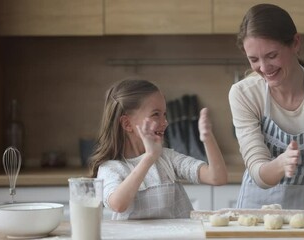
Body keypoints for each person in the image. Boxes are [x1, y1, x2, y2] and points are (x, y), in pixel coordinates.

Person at [229, 3, 304, 211]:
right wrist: (280, 164)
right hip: (258, 212)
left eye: (272, 55)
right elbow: (258, 171)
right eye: (254, 59)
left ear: (295, 43)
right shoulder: (244, 94)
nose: (264, 68)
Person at [90, 78, 228, 220]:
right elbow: (118, 204)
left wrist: (208, 138)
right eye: (156, 114)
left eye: (164, 114)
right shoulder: (111, 168)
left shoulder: (167, 158)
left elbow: (217, 178)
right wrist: (149, 157)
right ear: (127, 123)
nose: (165, 122)